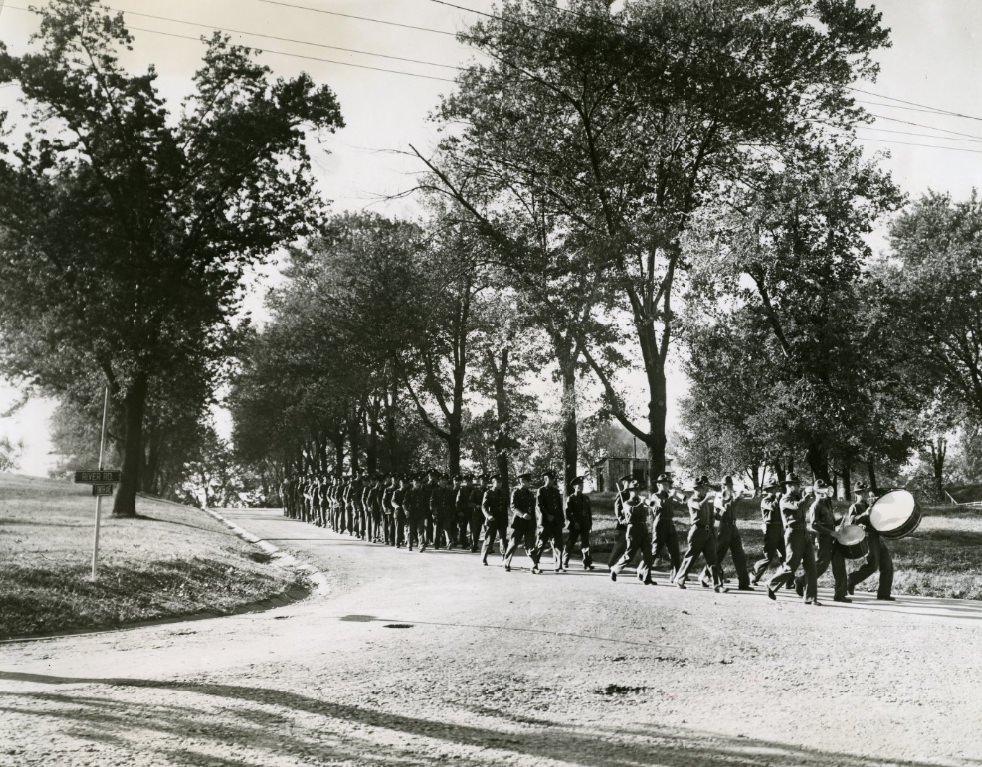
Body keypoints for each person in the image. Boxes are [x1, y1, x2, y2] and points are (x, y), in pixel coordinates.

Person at [766, 474, 819, 605]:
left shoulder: (798, 497)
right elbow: (797, 506)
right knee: (791, 566)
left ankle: (810, 597)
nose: (798, 486)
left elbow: (803, 506)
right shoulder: (784, 500)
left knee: (811, 566)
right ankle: (771, 584)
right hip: (793, 533)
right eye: (796, 484)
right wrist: (806, 497)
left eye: (798, 484)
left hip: (804, 533)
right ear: (788, 486)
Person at [796, 479, 848, 602]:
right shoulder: (815, 505)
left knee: (839, 564)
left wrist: (839, 520)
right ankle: (801, 580)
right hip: (824, 538)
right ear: (817, 492)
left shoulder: (827, 503)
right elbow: (814, 525)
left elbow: (830, 522)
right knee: (822, 565)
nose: (825, 492)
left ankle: (840, 594)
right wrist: (831, 532)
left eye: (826, 489)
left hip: (833, 536)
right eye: (822, 490)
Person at [674, 475, 727, 592]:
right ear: (696, 489)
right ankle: (680, 578)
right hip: (697, 531)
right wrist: (707, 498)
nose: (706, 490)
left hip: (708, 532)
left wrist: (720, 512)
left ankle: (717, 585)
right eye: (703, 488)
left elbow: (713, 517)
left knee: (713, 559)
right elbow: (698, 506)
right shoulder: (692, 500)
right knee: (691, 557)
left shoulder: (707, 502)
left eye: (706, 488)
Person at [846, 483, 895, 601]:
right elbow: (852, 522)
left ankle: (884, 594)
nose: (865, 494)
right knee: (872, 565)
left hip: (877, 536)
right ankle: (851, 580)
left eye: (865, 491)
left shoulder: (871, 506)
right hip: (867, 537)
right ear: (857, 494)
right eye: (861, 492)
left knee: (887, 565)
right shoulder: (855, 506)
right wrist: (865, 514)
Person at [702, 476, 752, 590]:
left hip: (733, 526)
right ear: (722, 486)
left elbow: (731, 506)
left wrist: (738, 498)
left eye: (730, 485)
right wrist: (735, 499)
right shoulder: (720, 496)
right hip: (723, 527)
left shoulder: (730, 495)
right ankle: (704, 576)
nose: (729, 487)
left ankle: (744, 583)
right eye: (727, 485)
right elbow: (724, 508)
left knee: (739, 555)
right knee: (718, 555)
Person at [610, 478, 654, 584]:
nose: (637, 492)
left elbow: (647, 512)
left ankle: (646, 577)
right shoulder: (626, 502)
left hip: (643, 529)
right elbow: (631, 511)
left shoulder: (641, 501)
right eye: (634, 490)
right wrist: (641, 504)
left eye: (638, 490)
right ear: (630, 491)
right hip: (633, 529)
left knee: (648, 554)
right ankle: (615, 570)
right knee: (629, 556)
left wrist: (648, 505)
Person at [648, 473, 682, 582]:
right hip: (660, 524)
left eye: (668, 484)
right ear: (658, 485)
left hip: (670, 524)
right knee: (655, 550)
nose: (667, 486)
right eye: (664, 484)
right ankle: (644, 571)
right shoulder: (655, 496)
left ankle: (676, 575)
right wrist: (671, 496)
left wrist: (679, 496)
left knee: (675, 551)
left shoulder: (669, 495)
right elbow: (661, 505)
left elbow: (682, 502)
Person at [529, 470, 565, 573]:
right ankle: (534, 565)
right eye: (550, 479)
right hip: (545, 522)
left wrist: (562, 520)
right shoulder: (541, 490)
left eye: (553, 479)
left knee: (558, 544)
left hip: (556, 522)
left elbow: (559, 507)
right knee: (541, 543)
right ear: (545, 479)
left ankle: (559, 565)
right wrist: (546, 515)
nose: (552, 481)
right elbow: (539, 506)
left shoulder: (556, 491)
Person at [750, 479, 785, 584]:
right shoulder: (765, 500)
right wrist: (778, 498)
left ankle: (787, 580)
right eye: (773, 489)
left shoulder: (778, 499)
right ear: (768, 490)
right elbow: (773, 507)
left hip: (779, 529)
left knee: (785, 556)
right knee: (768, 557)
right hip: (771, 530)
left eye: (775, 488)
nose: (775, 490)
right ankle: (754, 574)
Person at [504, 472, 536, 572]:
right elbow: (513, 507)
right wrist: (522, 515)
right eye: (527, 481)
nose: (529, 483)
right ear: (522, 482)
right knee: (513, 543)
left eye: (529, 482)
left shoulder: (530, 494)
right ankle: (506, 562)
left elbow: (533, 509)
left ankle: (534, 565)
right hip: (518, 523)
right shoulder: (516, 492)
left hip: (529, 523)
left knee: (530, 545)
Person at [562, 476, 594, 570]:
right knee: (570, 543)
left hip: (585, 524)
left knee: (585, 544)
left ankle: (587, 563)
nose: (580, 487)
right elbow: (568, 512)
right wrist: (574, 522)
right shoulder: (571, 498)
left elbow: (589, 513)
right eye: (578, 485)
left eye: (582, 485)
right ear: (574, 487)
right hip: (574, 525)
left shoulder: (586, 498)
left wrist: (590, 524)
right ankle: (565, 561)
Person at [480, 473, 509, 566]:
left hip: (502, 519)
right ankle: (484, 558)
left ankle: (505, 558)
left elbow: (505, 508)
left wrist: (506, 520)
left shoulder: (504, 493)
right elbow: (483, 507)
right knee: (489, 539)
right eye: (498, 482)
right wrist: (488, 516)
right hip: (492, 519)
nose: (500, 484)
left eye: (501, 482)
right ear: (493, 482)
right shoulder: (488, 493)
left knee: (503, 540)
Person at [607, 475, 631, 573]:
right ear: (624, 483)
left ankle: (639, 567)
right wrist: (621, 520)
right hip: (623, 525)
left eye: (631, 482)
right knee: (620, 546)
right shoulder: (621, 494)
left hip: (632, 523)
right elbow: (617, 509)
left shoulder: (633, 494)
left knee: (633, 545)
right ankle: (611, 564)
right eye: (628, 482)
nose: (630, 484)